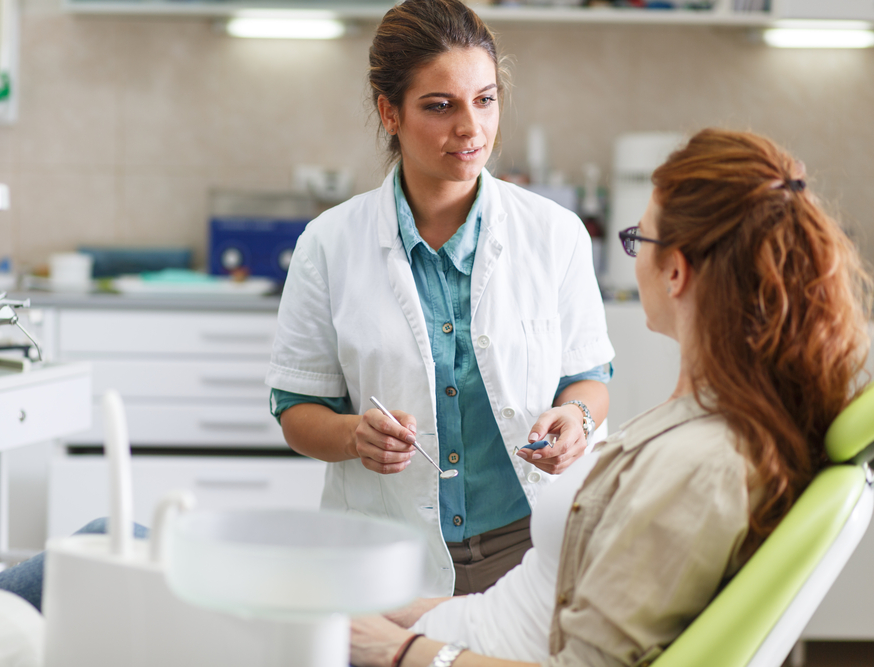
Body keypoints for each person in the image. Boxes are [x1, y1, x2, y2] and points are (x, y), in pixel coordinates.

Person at [348, 128, 872, 667]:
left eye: (638, 239)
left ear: (675, 271)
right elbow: (533, 603)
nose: (634, 253)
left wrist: (394, 649)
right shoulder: (708, 413)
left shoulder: (702, 467)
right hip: (460, 627)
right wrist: (401, 615)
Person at [267, 0, 614, 598]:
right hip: (386, 552)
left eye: (485, 100)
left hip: (529, 545)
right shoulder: (328, 244)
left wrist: (577, 420)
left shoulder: (555, 234)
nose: (470, 129)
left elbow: (590, 379)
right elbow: (298, 411)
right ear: (389, 112)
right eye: (439, 105)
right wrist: (354, 436)